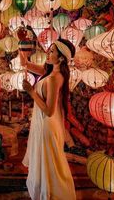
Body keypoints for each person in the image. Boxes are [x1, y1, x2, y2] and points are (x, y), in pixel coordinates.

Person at [20, 38, 76, 200]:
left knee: (50, 163)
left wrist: (31, 92)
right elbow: (26, 64)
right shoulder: (50, 73)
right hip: (43, 124)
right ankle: (46, 191)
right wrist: (21, 44)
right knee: (48, 162)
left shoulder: (53, 78)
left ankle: (52, 193)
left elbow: (49, 110)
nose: (48, 53)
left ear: (60, 58)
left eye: (52, 51)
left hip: (47, 124)